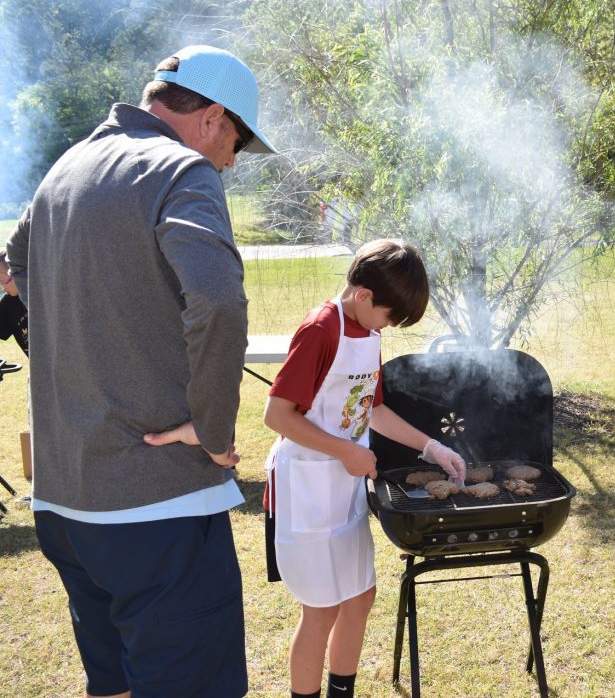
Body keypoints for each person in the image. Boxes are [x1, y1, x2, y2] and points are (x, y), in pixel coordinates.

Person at [5, 44, 276, 698]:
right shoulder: (181, 170)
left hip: (68, 504)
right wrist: (213, 433)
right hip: (158, 507)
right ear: (211, 116)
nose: (231, 160)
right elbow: (216, 300)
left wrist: (87, 362)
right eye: (236, 140)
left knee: (116, 684)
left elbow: (11, 272)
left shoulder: (66, 169)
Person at [263, 238, 466, 698]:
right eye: (390, 317)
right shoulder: (320, 330)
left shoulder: (369, 332)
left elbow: (371, 409)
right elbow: (277, 416)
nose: (389, 327)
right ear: (364, 297)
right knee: (321, 609)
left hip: (345, 484)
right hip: (307, 488)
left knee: (360, 596)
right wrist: (344, 451)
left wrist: (431, 447)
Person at [0, 250, 28, 357]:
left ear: (14, 274)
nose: (2, 287)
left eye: (2, 282)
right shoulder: (7, 306)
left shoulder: (41, 292)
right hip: (42, 371)